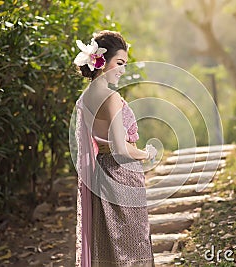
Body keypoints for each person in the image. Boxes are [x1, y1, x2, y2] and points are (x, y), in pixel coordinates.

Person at [74, 30, 157, 267]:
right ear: (101, 61)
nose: (122, 70)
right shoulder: (110, 98)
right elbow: (121, 149)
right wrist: (146, 153)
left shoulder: (84, 98)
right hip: (121, 176)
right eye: (119, 63)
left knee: (108, 248)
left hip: (100, 177)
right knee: (133, 248)